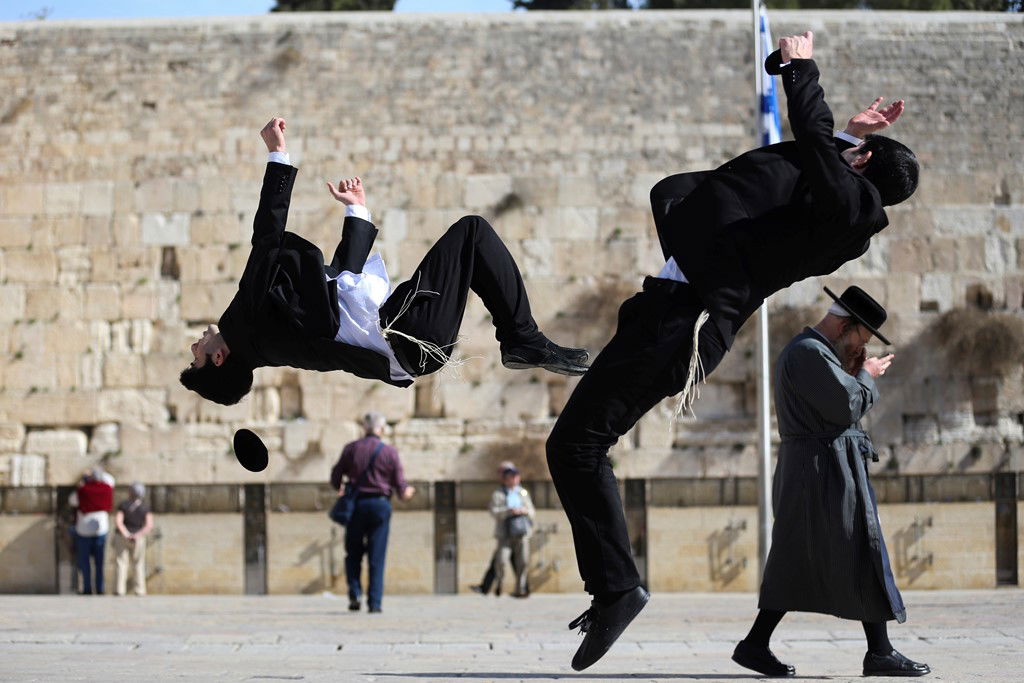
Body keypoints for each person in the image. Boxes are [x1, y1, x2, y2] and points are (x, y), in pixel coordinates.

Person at [546, 30, 920, 671]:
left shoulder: (851, 209)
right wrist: (849, 135)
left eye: (852, 154)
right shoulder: (837, 198)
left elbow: (816, 141)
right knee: (674, 192)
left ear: (861, 168)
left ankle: (617, 590)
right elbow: (816, 153)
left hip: (681, 323)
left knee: (576, 446)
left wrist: (803, 71)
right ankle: (617, 588)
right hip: (672, 308)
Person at [180, 118, 588, 407]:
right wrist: (277, 158)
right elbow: (266, 240)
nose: (196, 344)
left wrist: (357, 214)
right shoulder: (248, 326)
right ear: (219, 359)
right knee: (472, 232)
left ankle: (521, 339)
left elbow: (337, 292)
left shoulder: (269, 336)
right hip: (406, 333)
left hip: (413, 345)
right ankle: (521, 339)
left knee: (473, 240)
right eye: (197, 355)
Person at [732, 286, 929, 678]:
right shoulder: (808, 352)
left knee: (807, 556)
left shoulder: (821, 354)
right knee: (855, 547)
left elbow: (838, 402)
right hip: (820, 472)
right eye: (862, 336)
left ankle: (757, 644)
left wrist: (856, 373)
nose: (863, 346)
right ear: (843, 325)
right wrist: (868, 378)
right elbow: (845, 406)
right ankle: (879, 653)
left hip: (825, 468)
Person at [330, 412, 414, 613]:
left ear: (364, 428)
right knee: (377, 556)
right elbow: (401, 487)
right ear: (381, 429)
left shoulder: (351, 449)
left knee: (353, 553)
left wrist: (340, 487)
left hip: (356, 505)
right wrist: (408, 492)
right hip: (380, 506)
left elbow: (335, 476)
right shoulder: (390, 452)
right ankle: (375, 603)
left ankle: (355, 592)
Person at [486, 462, 535, 598]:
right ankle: (500, 583)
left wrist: (524, 510)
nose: (513, 479)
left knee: (523, 562)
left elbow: (532, 511)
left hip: (522, 533)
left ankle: (520, 589)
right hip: (504, 534)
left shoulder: (523, 493)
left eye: (515, 476)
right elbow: (493, 512)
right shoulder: (498, 494)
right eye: (510, 476)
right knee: (501, 560)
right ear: (505, 478)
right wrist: (508, 511)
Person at [68, 467, 115, 595]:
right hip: (101, 529)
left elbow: (72, 501)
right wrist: (98, 473)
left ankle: (87, 588)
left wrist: (84, 479)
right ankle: (100, 588)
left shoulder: (83, 490)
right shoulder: (107, 488)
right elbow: (111, 480)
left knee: (85, 562)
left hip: (84, 530)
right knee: (99, 563)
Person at [113, 482, 154, 597]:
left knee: (121, 562)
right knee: (138, 563)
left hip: (122, 537)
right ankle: (140, 590)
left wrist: (126, 534)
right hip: (138, 537)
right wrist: (137, 535)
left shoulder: (123, 505)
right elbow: (149, 525)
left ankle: (119, 589)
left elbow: (118, 522)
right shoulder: (145, 507)